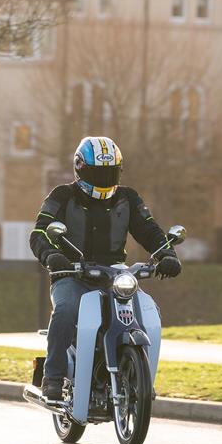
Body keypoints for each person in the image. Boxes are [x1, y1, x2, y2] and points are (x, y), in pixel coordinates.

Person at [29, 136, 182, 401]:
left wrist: (167, 254)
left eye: (110, 172)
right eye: (98, 172)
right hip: (71, 274)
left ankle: (141, 378)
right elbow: (40, 232)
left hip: (116, 274)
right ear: (80, 168)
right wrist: (52, 255)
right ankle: (52, 377)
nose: (105, 178)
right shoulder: (62, 195)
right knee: (65, 310)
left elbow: (149, 231)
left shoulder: (128, 197)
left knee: (148, 311)